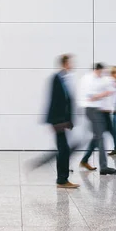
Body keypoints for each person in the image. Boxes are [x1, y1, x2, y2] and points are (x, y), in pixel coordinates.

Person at [79, 63, 116, 175]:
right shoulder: (89, 79)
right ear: (97, 70)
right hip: (92, 110)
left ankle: (84, 160)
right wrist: (104, 93)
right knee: (100, 137)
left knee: (97, 137)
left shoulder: (98, 79)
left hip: (97, 111)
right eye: (101, 71)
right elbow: (91, 97)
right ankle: (103, 167)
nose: (102, 74)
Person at [46, 55, 79, 189]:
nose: (72, 65)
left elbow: (68, 101)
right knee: (63, 149)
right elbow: (55, 101)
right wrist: (57, 121)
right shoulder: (57, 78)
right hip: (58, 121)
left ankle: (62, 178)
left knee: (63, 149)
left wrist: (69, 120)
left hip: (62, 121)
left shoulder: (65, 79)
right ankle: (62, 179)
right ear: (65, 64)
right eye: (70, 62)